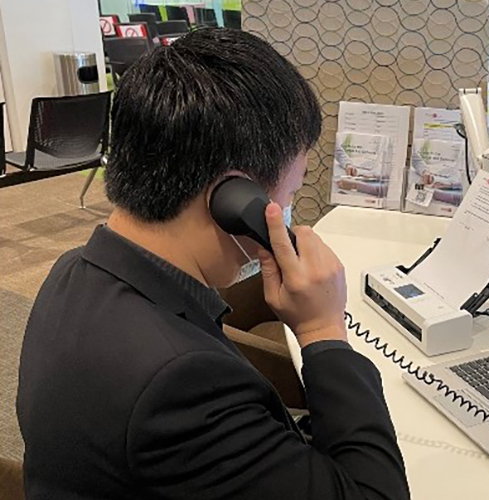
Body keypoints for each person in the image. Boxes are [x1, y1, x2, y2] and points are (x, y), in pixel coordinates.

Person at [17, 29, 409, 500]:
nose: (290, 210)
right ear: (235, 199)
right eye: (291, 192)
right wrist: (324, 332)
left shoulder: (74, 270)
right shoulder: (181, 383)